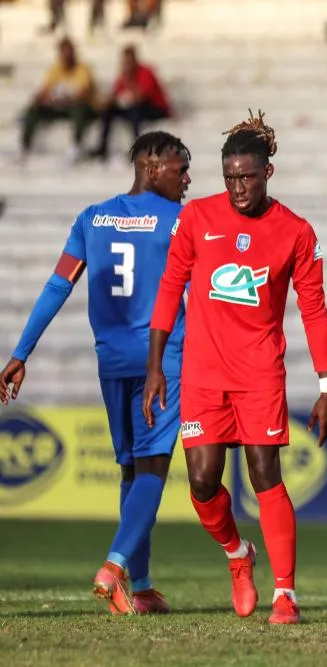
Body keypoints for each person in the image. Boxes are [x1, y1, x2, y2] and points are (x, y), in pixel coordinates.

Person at [143, 111, 327, 626]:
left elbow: (313, 307)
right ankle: (237, 555)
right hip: (203, 373)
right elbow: (169, 289)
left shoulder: (294, 231)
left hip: (260, 374)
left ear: (267, 172)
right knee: (203, 482)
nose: (237, 187)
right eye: (229, 177)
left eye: (247, 177)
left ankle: (286, 594)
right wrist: (156, 365)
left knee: (264, 474)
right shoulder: (197, 219)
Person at [0, 131, 191, 616]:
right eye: (179, 168)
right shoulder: (180, 221)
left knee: (131, 469)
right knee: (153, 467)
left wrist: (22, 352)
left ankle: (143, 586)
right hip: (161, 362)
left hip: (111, 362)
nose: (187, 179)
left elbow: (57, 285)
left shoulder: (92, 218)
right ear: (151, 167)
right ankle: (114, 566)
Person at [20, 37, 98, 163]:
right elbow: (44, 90)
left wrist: (62, 99)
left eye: (69, 53)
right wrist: (43, 98)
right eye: (63, 53)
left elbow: (83, 95)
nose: (66, 57)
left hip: (81, 108)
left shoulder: (82, 69)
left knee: (79, 110)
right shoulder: (55, 69)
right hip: (60, 106)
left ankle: (76, 146)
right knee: (33, 109)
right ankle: (25, 147)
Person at [91, 45, 171, 161]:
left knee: (135, 111)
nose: (127, 63)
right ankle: (103, 148)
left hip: (156, 108)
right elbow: (115, 94)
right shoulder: (124, 74)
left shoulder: (145, 72)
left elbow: (142, 96)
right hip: (135, 107)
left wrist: (128, 87)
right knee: (108, 112)